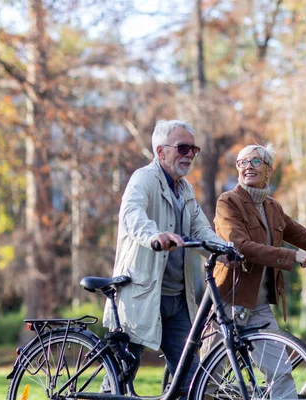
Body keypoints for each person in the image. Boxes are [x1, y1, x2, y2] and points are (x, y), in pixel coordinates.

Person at [205, 143, 306, 398]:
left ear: (269, 169)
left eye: (256, 161)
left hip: (258, 306)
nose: (248, 167)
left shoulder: (272, 207)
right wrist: (293, 256)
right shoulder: (229, 202)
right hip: (231, 301)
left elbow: (305, 237)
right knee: (207, 380)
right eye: (242, 162)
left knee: (280, 373)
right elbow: (242, 246)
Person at [102, 119, 231, 396]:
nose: (189, 155)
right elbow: (132, 215)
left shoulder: (185, 189)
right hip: (142, 295)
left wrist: (225, 250)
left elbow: (201, 229)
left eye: (193, 149)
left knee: (191, 380)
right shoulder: (143, 179)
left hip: (177, 299)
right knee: (119, 379)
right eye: (182, 148)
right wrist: (154, 235)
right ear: (160, 151)